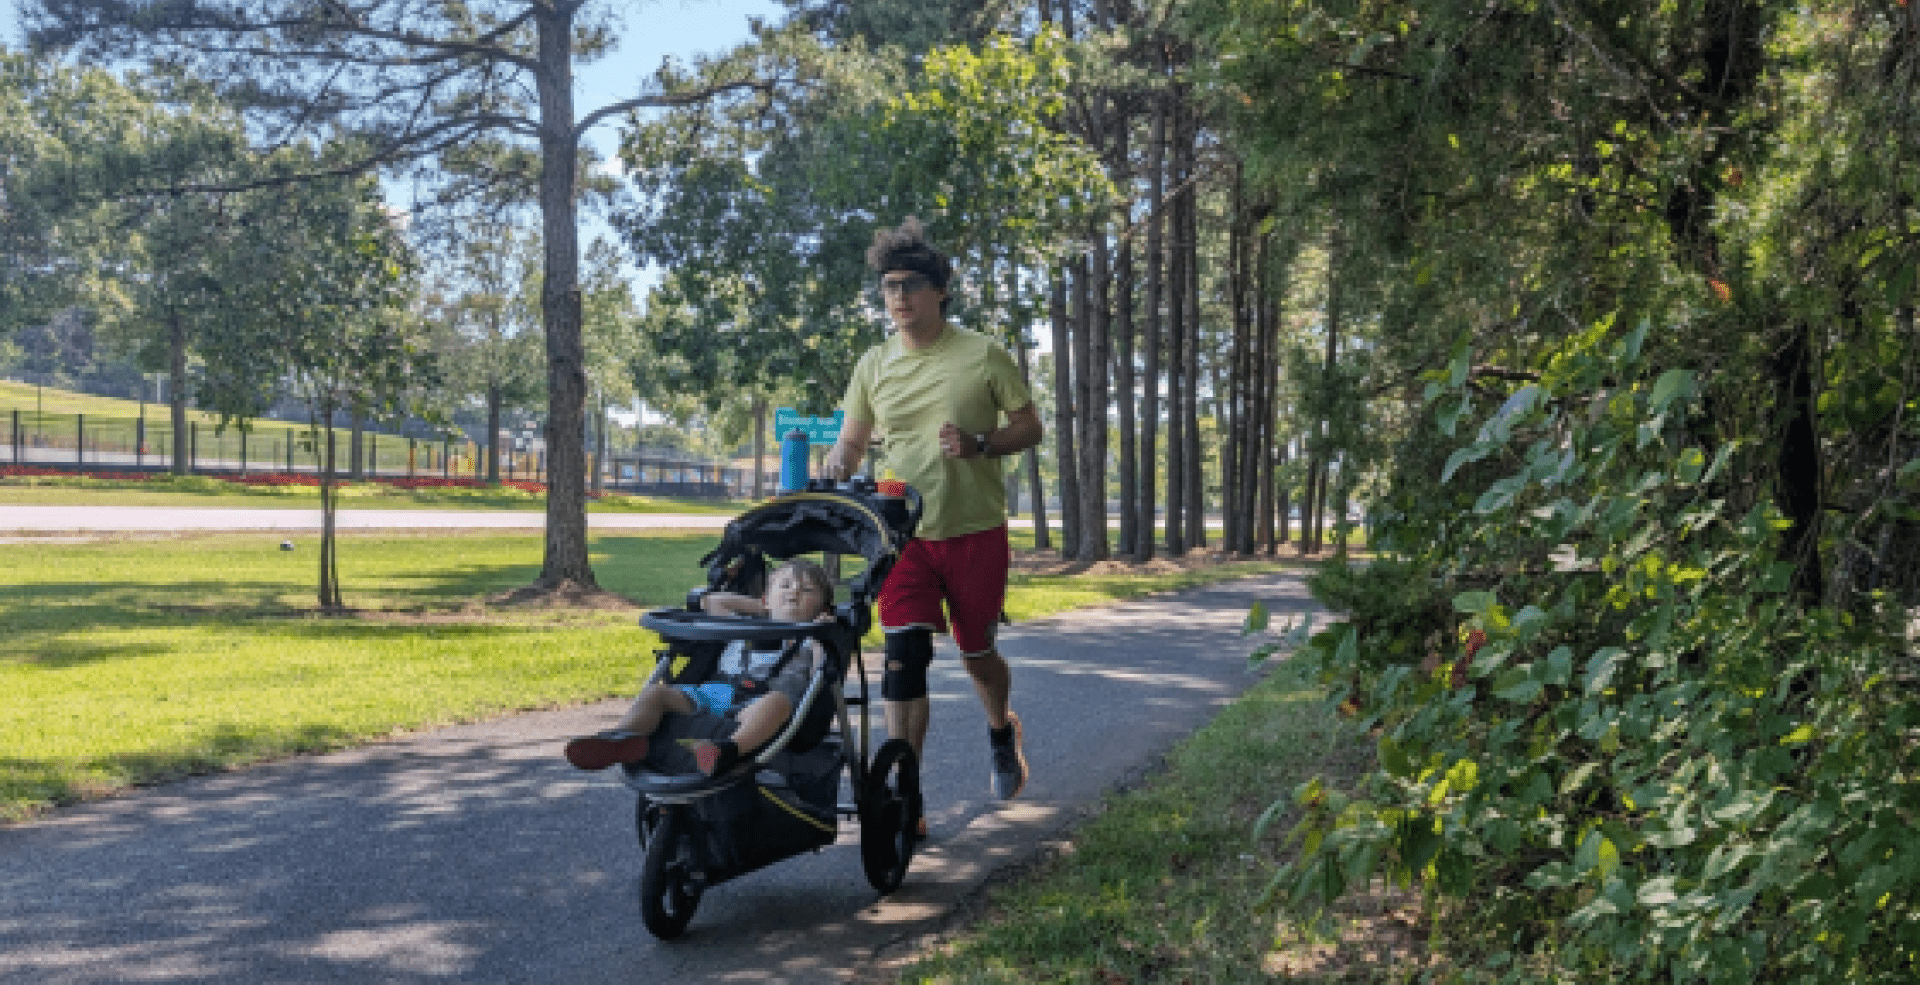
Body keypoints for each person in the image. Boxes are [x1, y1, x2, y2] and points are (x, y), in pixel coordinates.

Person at [823, 217, 1045, 802]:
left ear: (940, 290)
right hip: (903, 534)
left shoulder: (982, 355)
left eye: (910, 285)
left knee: (977, 653)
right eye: (890, 286)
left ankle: (1001, 730)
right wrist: (836, 465)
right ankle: (906, 793)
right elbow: (852, 438)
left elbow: (1029, 427)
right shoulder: (873, 364)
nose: (899, 297)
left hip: (974, 531)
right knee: (903, 657)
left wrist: (979, 444)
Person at [563, 558, 836, 777]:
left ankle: (724, 752)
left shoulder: (810, 642)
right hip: (712, 695)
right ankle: (620, 740)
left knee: (777, 704)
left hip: (755, 705)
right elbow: (713, 602)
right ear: (766, 598)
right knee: (655, 694)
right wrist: (764, 610)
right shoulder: (740, 625)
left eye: (807, 590)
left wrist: (822, 632)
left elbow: (818, 681)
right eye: (786, 586)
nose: (794, 593)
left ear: (821, 605)